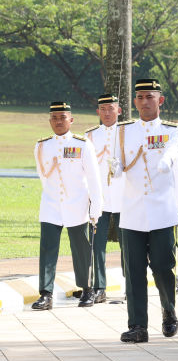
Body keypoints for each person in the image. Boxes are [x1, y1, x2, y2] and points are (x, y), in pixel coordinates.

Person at [112, 79, 178, 342]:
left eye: (150, 96)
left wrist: (167, 158)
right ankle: (137, 325)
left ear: (160, 100)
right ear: (135, 101)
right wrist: (114, 167)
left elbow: (175, 149)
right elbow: (117, 161)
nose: (145, 101)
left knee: (164, 266)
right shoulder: (123, 131)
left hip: (162, 210)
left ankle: (169, 310)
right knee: (133, 271)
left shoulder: (172, 130)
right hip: (132, 212)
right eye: (140, 97)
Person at [32, 101, 103, 310]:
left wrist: (96, 207)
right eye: (54, 118)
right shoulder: (42, 146)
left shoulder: (82, 144)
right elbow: (43, 176)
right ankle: (46, 294)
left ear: (71, 120)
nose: (58, 121)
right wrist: (52, 195)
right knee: (47, 249)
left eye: (62, 117)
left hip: (77, 204)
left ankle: (87, 289)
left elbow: (93, 178)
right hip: (51, 205)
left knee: (81, 250)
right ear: (50, 121)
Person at [84, 93, 124, 304]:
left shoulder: (127, 132)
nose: (107, 113)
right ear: (98, 112)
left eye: (111, 108)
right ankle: (99, 287)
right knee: (96, 246)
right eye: (103, 109)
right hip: (100, 199)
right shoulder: (90, 136)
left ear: (119, 110)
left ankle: (131, 285)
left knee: (129, 246)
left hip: (124, 198)